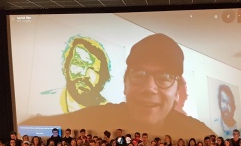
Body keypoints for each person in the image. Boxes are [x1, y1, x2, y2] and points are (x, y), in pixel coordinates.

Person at [21, 33, 215, 139]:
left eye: (164, 77)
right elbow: (29, 128)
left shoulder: (195, 131)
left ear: (176, 91)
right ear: (125, 84)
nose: (150, 87)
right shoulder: (99, 117)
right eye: (139, 74)